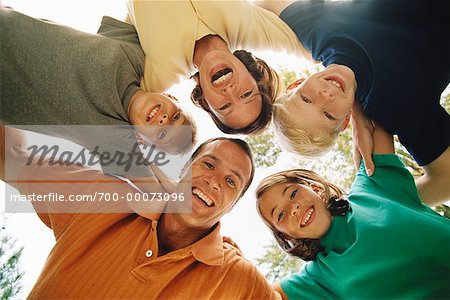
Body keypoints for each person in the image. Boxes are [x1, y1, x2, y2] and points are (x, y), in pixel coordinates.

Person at [1, 126, 279, 299]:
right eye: (208, 164)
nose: (214, 181)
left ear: (231, 206)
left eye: (231, 181)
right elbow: (10, 156)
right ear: (182, 170)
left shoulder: (237, 279)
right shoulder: (105, 196)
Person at [255, 0, 450, 205]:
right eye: (328, 115)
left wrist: (358, 111)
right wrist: (371, 209)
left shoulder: (316, 34)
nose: (325, 97)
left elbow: (266, 3)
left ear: (295, 84)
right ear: (344, 121)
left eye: (306, 99)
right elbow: (445, 180)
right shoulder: (393, 107)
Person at [0, 8, 197, 184]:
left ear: (142, 141)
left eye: (163, 134)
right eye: (176, 117)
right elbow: (146, 13)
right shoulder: (133, 56)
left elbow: (155, 191)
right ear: (172, 98)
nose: (164, 120)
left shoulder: (112, 134)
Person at [255, 123, 450, 299]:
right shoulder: (316, 280)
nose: (293, 208)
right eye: (280, 214)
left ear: (315, 188)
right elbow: (253, 294)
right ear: (285, 235)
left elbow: (377, 106)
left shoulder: (371, 186)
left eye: (293, 193)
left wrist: (357, 121)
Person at [126, 0, 312, 134]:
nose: (230, 91)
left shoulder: (160, 74)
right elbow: (313, 48)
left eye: (225, 106)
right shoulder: (248, 26)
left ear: (206, 102)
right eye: (246, 94)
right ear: (253, 77)